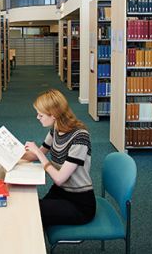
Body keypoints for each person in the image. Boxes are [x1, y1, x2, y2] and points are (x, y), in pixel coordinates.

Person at [23, 89, 96, 228]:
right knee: (30, 209)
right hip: (60, 192)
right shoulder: (56, 129)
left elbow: (59, 178)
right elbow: (36, 154)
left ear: (54, 115)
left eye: (41, 114)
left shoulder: (80, 137)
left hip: (79, 204)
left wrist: (38, 154)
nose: (37, 117)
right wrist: (11, 154)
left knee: (32, 214)